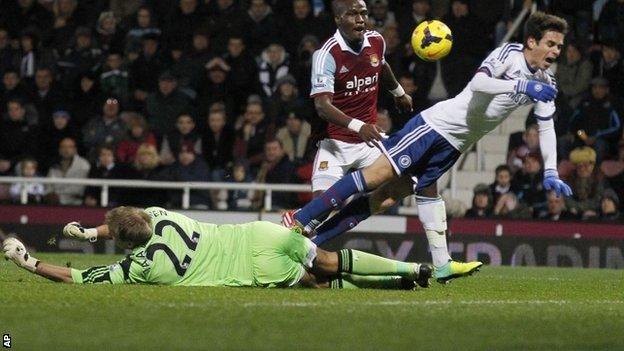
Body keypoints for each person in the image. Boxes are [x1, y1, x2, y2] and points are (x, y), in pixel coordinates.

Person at [284, 11, 573, 283]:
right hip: (435, 127)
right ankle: (301, 219)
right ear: (532, 42)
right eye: (551, 43)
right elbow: (479, 84)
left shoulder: (546, 81)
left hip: (457, 143)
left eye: (559, 46)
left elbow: (546, 127)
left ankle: (441, 264)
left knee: (388, 198)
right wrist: (520, 87)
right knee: (375, 177)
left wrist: (550, 172)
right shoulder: (510, 55)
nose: (556, 51)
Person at [2, 206, 432, 290]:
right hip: (257, 234)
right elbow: (125, 222)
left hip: (251, 269)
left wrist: (31, 262)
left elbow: (78, 276)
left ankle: (394, 285)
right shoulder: (161, 214)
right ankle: (410, 271)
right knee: (330, 261)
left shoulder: (142, 268)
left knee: (319, 283)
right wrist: (92, 232)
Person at [284, 0, 412, 225]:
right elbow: (322, 106)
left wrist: (399, 92)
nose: (361, 19)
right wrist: (358, 126)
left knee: (410, 180)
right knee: (318, 213)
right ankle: (293, 226)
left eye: (363, 13)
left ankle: (441, 256)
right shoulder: (326, 55)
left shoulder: (376, 41)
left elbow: (381, 66)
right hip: (335, 144)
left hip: (369, 143)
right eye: (353, 14)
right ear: (338, 19)